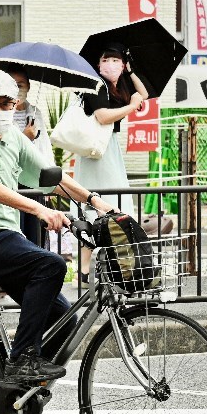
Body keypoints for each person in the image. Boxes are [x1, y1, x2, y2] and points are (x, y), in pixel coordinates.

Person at [0, 72, 115, 409]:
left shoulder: (12, 136)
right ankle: (22, 359)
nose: (0, 111)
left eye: (7, 104)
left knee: (63, 319)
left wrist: (97, 203)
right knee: (50, 264)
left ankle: (20, 401)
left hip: (6, 239)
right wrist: (39, 209)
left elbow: (49, 177)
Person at [77, 42, 147, 279]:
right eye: (106, 60)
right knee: (97, 204)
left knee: (109, 205)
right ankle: (86, 269)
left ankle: (102, 267)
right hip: (96, 152)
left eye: (116, 60)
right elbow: (103, 116)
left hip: (107, 149)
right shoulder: (96, 85)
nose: (110, 64)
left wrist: (130, 70)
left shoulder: (117, 87)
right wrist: (131, 106)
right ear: (98, 64)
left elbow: (143, 94)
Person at [8, 70, 56, 248]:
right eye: (13, 85)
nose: (17, 89)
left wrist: (50, 181)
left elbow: (45, 148)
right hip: (12, 181)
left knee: (35, 230)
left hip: (35, 180)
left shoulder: (36, 113)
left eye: (20, 85)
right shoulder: (3, 114)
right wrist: (25, 136)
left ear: (28, 87)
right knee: (17, 230)